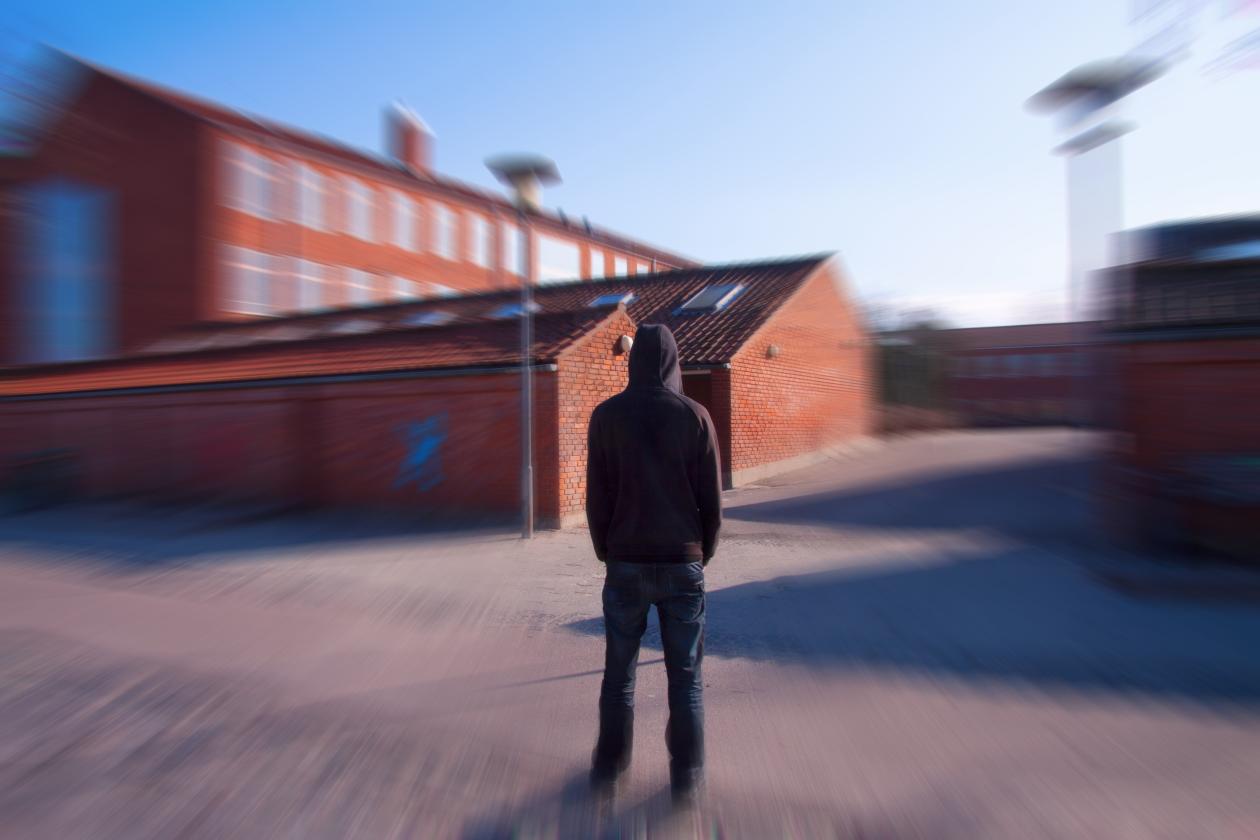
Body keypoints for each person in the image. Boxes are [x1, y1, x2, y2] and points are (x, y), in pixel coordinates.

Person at [585, 323, 723, 807]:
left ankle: (608, 770)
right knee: (685, 677)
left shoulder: (606, 416)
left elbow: (596, 498)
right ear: (673, 360)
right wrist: (700, 553)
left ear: (632, 359)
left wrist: (608, 549)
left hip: (624, 561)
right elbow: (712, 501)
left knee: (618, 675)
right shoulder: (696, 416)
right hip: (682, 561)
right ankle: (687, 778)